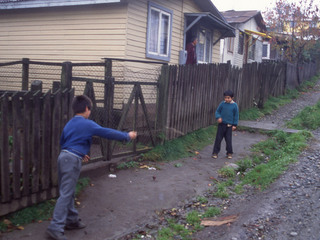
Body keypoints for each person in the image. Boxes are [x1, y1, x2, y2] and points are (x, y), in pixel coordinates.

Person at [46, 95, 137, 240]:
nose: (90, 112)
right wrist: (127, 136)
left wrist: (80, 153)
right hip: (71, 160)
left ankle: (71, 220)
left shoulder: (70, 123)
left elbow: (64, 141)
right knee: (66, 193)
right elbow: (107, 132)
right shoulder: (87, 123)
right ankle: (55, 227)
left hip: (63, 157)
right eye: (90, 109)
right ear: (87, 109)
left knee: (67, 191)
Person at [212, 90, 239, 159]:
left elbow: (236, 116)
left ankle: (229, 153)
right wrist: (218, 117)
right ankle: (215, 153)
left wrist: (234, 125)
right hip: (221, 125)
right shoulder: (222, 104)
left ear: (232, 98)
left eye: (228, 98)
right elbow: (217, 111)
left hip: (229, 126)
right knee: (218, 139)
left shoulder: (234, 105)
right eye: (225, 97)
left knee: (228, 140)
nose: (226, 99)